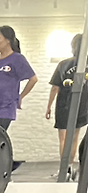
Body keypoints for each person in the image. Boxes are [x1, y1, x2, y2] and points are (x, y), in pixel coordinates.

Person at [0, 25, 37, 131]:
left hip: (5, 109)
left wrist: (20, 97)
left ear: (8, 40)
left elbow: (33, 79)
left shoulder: (17, 59)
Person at [47, 33, 88, 171]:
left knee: (63, 138)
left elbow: (55, 87)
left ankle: (65, 169)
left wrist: (49, 107)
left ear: (73, 46)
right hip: (82, 104)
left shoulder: (64, 64)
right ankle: (70, 165)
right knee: (75, 137)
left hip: (64, 104)